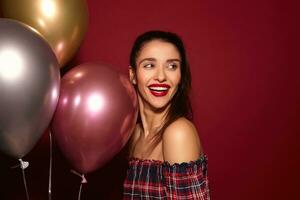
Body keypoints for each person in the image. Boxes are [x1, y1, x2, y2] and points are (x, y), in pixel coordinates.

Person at [123, 30, 210, 200]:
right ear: (133, 75)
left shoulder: (178, 133)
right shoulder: (133, 134)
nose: (161, 76)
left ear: (180, 76)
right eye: (149, 65)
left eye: (172, 66)